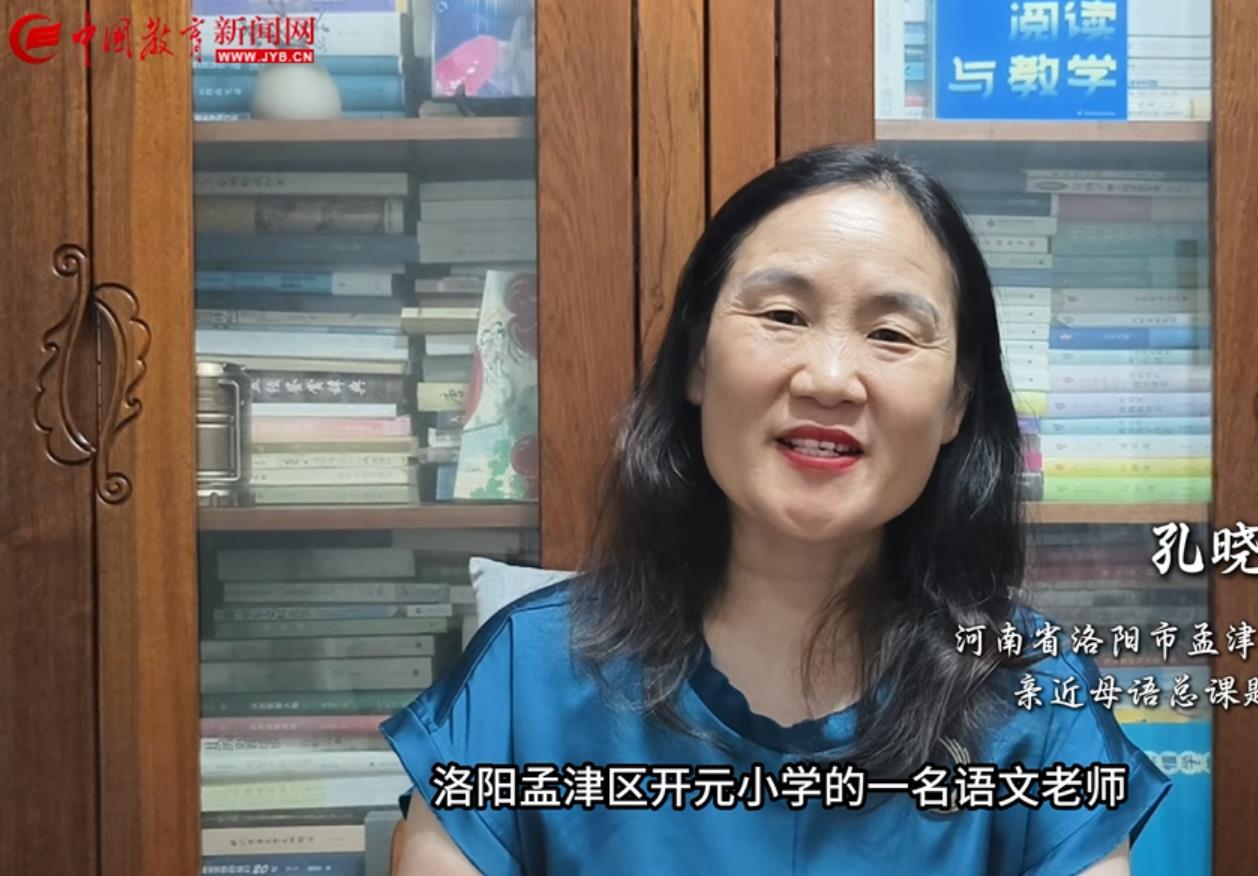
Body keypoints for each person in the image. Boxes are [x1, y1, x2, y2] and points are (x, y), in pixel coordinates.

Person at [382, 143, 1172, 875]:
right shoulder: (524, 676)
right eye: (783, 317)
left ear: (958, 403)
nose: (828, 378)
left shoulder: (1034, 693)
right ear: (697, 361)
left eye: (891, 333)